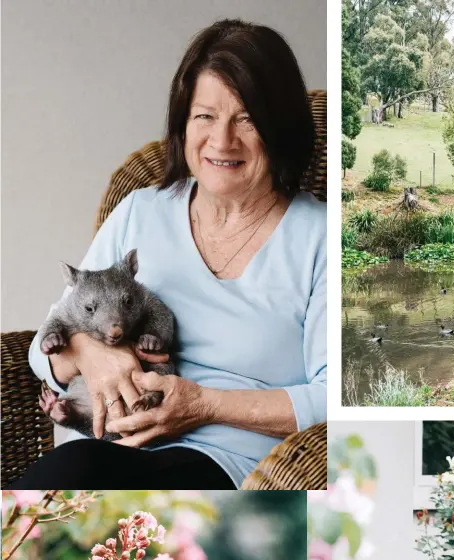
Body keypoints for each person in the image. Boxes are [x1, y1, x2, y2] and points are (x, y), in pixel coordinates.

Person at [14, 19, 326, 490]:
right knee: (60, 482)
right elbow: (45, 350)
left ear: (279, 126)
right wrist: (87, 352)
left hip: (246, 469)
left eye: (246, 118)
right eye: (205, 116)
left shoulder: (323, 238)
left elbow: (336, 401)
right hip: (118, 447)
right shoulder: (141, 211)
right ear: (183, 123)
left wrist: (202, 404)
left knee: (72, 480)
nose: (222, 141)